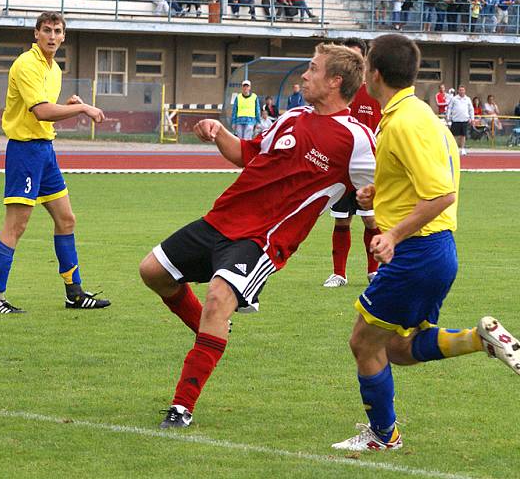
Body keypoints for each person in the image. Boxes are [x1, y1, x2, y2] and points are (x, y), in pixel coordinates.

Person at [139, 43, 376, 429]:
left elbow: (387, 182)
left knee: (218, 296)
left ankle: (181, 407)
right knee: (152, 272)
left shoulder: (358, 139)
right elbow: (246, 154)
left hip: (265, 239)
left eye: (313, 70)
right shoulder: (292, 118)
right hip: (222, 218)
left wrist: (373, 198)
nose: (304, 75)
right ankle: (214, 328)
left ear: (335, 81)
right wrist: (218, 132)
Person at [332, 33, 520, 452]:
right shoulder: (417, 115)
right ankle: (482, 338)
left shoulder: (405, 123)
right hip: (436, 251)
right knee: (396, 347)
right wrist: (377, 195)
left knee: (364, 341)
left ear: (373, 73)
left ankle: (384, 436)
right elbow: (421, 180)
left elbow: (441, 194)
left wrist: (393, 234)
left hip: (418, 250)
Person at [0, 13, 110, 314]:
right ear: (36, 33)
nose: (52, 36)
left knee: (66, 219)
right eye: (47, 31)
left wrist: (67, 107)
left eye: (58, 31)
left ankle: (74, 293)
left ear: (63, 36)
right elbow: (40, 111)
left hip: (45, 151)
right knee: (16, 225)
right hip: (24, 152)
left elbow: (46, 109)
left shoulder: (53, 69)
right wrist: (82, 108)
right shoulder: (27, 64)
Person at [323, 38, 382, 289]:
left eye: (356, 58)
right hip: (340, 165)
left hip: (367, 167)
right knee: (341, 220)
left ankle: (373, 272)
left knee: (371, 220)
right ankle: (339, 274)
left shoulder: (375, 93)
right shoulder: (334, 92)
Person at [445, 85, 474, 156]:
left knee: (463, 135)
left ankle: (463, 149)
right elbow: (449, 108)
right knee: (454, 136)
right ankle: (454, 149)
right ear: (458, 91)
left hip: (464, 120)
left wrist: (472, 118)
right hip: (455, 120)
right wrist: (448, 117)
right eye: (460, 90)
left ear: (465, 91)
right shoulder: (454, 99)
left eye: (463, 90)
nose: (461, 91)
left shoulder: (468, 99)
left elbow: (471, 109)